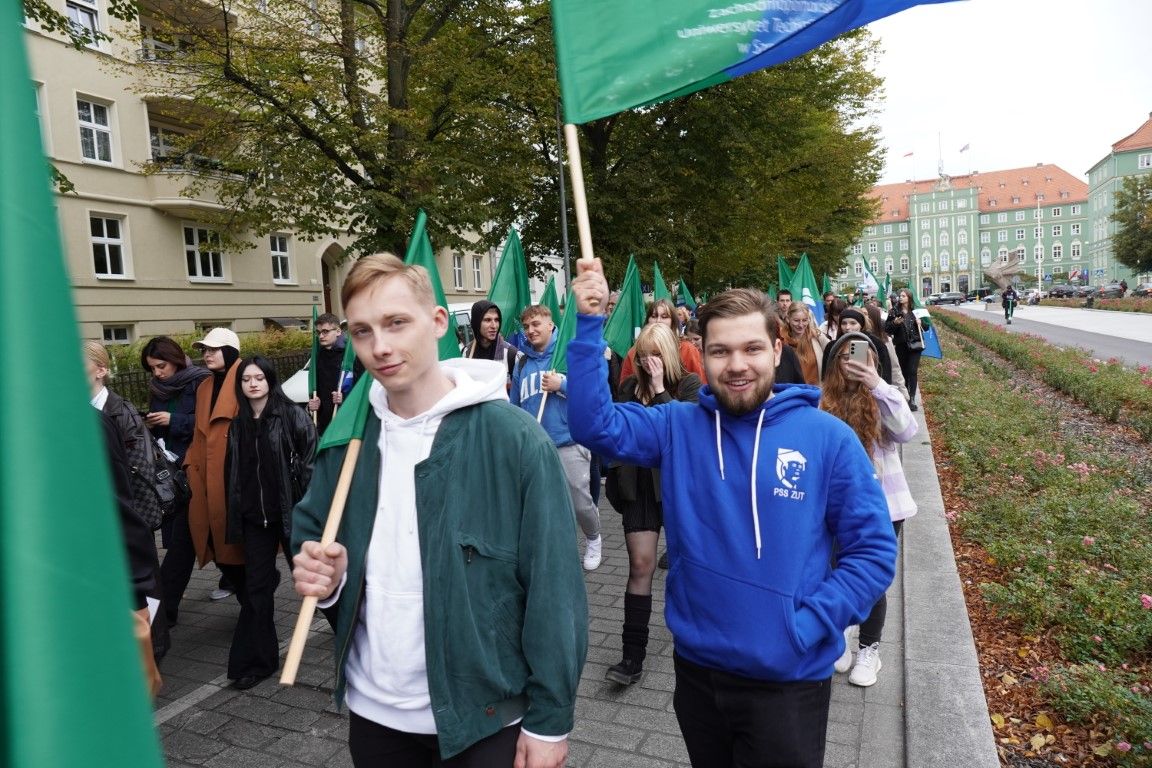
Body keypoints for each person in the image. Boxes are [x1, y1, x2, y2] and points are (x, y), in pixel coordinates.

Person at [568, 261, 897, 768]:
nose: (736, 364)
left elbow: (873, 552)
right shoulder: (677, 425)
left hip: (788, 680)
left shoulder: (828, 438)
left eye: (751, 349)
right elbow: (594, 424)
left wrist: (808, 623)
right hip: (698, 673)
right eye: (720, 351)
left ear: (777, 350)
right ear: (703, 356)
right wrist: (588, 323)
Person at [291, 253, 587, 767]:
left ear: (437, 323)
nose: (379, 347)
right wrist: (327, 574)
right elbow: (313, 535)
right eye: (361, 332)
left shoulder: (514, 440)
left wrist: (550, 719)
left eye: (396, 323)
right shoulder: (349, 440)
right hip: (374, 713)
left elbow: (554, 589)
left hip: (485, 716)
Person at [604, 323, 701, 686]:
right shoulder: (629, 387)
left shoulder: (689, 385)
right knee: (640, 565)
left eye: (655, 356)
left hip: (677, 487)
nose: (648, 363)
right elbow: (615, 431)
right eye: (643, 357)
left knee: (690, 567)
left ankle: (700, 645)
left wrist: (661, 390)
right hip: (640, 486)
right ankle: (632, 657)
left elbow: (686, 432)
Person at [820, 332, 917, 687]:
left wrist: (877, 384)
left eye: (860, 357)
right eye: (845, 357)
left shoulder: (881, 398)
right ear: (833, 364)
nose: (853, 364)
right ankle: (840, 632)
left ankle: (869, 650)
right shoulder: (823, 402)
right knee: (834, 572)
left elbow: (907, 431)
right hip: (836, 509)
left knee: (873, 581)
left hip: (884, 508)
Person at [223, 355, 317, 689]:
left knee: (315, 581)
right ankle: (255, 663)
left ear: (270, 380)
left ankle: (356, 638)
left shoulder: (292, 416)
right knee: (256, 589)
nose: (252, 384)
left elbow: (310, 466)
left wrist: (309, 511)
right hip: (254, 519)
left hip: (291, 514)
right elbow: (234, 475)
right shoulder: (238, 423)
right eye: (246, 379)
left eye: (258, 378)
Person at [83, 340, 164, 693]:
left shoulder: (116, 413)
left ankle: (152, 650)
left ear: (101, 370)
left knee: (142, 597)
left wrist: (140, 525)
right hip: (107, 527)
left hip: (130, 517)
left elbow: (137, 473)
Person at [511, 304, 604, 570]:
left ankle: (594, 536)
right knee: (545, 505)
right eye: (527, 326)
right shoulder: (523, 361)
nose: (531, 330)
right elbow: (515, 403)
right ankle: (557, 553)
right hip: (537, 445)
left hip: (569, 441)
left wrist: (561, 384)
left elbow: (592, 393)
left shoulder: (567, 353)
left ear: (551, 325)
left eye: (536, 324)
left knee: (580, 502)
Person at [143, 336, 211, 629]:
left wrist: (174, 420)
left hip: (196, 468)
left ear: (176, 359)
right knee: (192, 540)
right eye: (152, 368)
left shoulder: (200, 381)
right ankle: (247, 584)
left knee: (184, 543)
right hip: (171, 473)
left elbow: (207, 423)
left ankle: (164, 611)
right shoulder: (158, 388)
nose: (158, 373)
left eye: (161, 365)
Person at [184, 328, 246, 619]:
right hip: (206, 476)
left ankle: (254, 605)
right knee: (212, 541)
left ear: (230, 351)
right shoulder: (205, 387)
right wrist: (189, 467)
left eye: (213, 349)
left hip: (234, 478)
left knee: (237, 548)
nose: (206, 354)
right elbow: (200, 434)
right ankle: (250, 599)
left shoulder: (248, 379)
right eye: (203, 349)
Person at [619, 299, 706, 381]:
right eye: (654, 316)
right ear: (648, 321)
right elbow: (625, 390)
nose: (658, 320)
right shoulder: (634, 352)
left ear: (673, 322)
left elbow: (700, 389)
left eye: (664, 317)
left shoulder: (687, 349)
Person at [309, 312, 364, 435]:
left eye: (325, 331)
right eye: (318, 333)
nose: (321, 336)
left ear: (338, 331)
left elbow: (361, 387)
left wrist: (344, 397)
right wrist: (312, 405)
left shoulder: (351, 355)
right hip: (324, 423)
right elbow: (315, 388)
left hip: (347, 422)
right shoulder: (318, 355)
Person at [821, 308, 893, 385]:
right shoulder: (832, 346)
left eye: (853, 323)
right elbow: (826, 375)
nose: (847, 327)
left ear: (861, 325)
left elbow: (885, 374)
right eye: (844, 323)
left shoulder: (876, 344)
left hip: (870, 391)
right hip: (839, 391)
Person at [885, 289, 927, 411]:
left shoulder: (916, 311)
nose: (900, 298)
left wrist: (921, 323)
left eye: (903, 296)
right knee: (903, 371)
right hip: (901, 345)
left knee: (912, 371)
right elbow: (887, 329)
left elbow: (927, 326)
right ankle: (906, 397)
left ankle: (912, 399)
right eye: (899, 296)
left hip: (916, 345)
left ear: (909, 297)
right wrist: (895, 323)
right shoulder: (894, 311)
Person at [463, 299, 519, 386]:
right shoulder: (466, 352)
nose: (494, 326)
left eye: (496, 320)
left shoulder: (511, 354)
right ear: (476, 323)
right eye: (488, 320)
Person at [785, 303, 827, 385]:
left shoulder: (817, 337)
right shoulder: (782, 340)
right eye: (796, 321)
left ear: (809, 319)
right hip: (791, 393)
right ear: (788, 319)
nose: (801, 325)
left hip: (815, 392)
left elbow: (834, 354)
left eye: (804, 320)